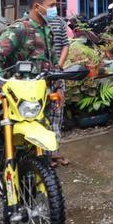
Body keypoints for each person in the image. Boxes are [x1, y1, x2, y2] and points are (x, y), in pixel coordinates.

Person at [0, 0, 64, 163]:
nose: (54, 9)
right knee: (16, 144)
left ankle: (40, 174)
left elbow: (49, 64)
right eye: (51, 6)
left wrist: (57, 88)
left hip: (41, 95)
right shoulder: (19, 29)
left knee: (41, 142)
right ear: (37, 7)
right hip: (21, 99)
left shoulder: (46, 29)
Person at [47, 14, 70, 166]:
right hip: (38, 79)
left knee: (57, 115)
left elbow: (65, 45)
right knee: (42, 117)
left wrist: (58, 67)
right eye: (50, 4)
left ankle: (54, 152)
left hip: (56, 75)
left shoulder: (59, 22)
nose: (52, 8)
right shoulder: (25, 25)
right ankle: (43, 155)